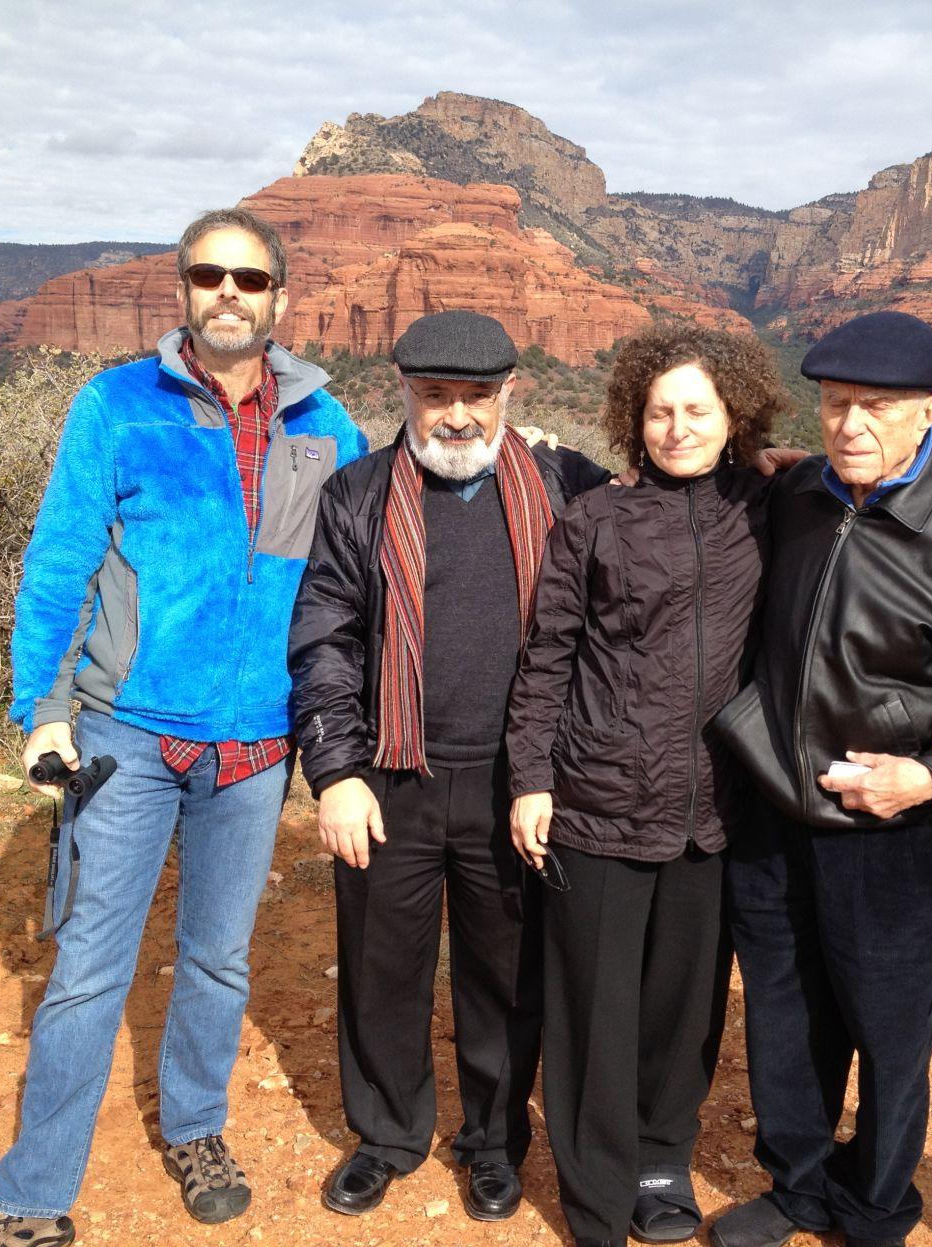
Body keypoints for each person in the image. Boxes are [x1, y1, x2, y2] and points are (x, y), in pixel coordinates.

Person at [0, 208, 367, 1247]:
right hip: (126, 735)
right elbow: (61, 561)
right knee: (91, 968)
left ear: (279, 297)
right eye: (208, 275)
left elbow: (377, 550)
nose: (228, 292)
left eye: (248, 277)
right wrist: (43, 709)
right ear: (182, 290)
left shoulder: (330, 422)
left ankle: (194, 1126)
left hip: (257, 741)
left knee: (218, 959)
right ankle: (31, 1197)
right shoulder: (116, 405)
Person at [711, 311, 932, 1247]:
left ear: (931, 410)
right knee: (783, 1012)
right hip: (773, 804)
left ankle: (879, 1204)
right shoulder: (800, 490)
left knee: (891, 1036)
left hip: (895, 834)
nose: (850, 425)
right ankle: (799, 1186)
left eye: (877, 408)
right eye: (835, 404)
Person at [286, 310, 611, 1224]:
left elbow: (680, 495)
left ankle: (494, 1141)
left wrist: (783, 468)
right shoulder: (358, 494)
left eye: (477, 394)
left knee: (505, 973)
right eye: (435, 395)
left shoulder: (566, 482)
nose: (457, 415)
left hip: (520, 781)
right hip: (392, 778)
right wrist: (337, 771)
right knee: (380, 965)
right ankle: (389, 1134)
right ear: (405, 393)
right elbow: (325, 640)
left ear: (512, 391)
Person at [502, 325, 791, 1247]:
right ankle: (594, 1192)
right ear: (635, 418)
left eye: (697, 409)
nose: (676, 427)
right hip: (598, 796)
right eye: (660, 411)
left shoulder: (769, 505)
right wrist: (531, 777)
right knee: (593, 1007)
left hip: (714, 806)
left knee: (683, 1005)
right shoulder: (595, 520)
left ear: (733, 413)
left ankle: (663, 1163)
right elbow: (548, 654)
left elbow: (870, 473)